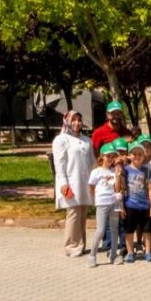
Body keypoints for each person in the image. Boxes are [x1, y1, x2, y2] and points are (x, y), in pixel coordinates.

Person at [53, 110, 94, 258]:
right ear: (67, 121)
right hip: (71, 182)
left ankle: (81, 244)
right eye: (74, 120)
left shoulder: (86, 140)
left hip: (84, 182)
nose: (77, 123)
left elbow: (92, 163)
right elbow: (59, 163)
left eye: (79, 120)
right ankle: (71, 245)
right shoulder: (61, 139)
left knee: (82, 214)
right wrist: (63, 183)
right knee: (73, 214)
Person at [87, 144, 124, 267]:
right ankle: (92, 255)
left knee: (114, 230)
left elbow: (117, 188)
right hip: (102, 203)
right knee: (100, 230)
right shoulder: (96, 172)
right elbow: (91, 187)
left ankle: (113, 255)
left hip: (113, 203)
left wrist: (118, 176)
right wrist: (93, 201)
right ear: (102, 156)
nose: (110, 158)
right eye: (108, 156)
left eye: (113, 156)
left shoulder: (114, 171)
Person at [121, 142, 151, 263]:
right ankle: (130, 253)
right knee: (129, 230)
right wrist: (121, 207)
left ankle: (148, 252)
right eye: (134, 154)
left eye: (140, 154)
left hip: (145, 205)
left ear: (143, 156)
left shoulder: (147, 171)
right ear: (130, 155)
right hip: (130, 205)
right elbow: (121, 189)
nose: (137, 156)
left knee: (147, 231)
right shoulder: (125, 171)